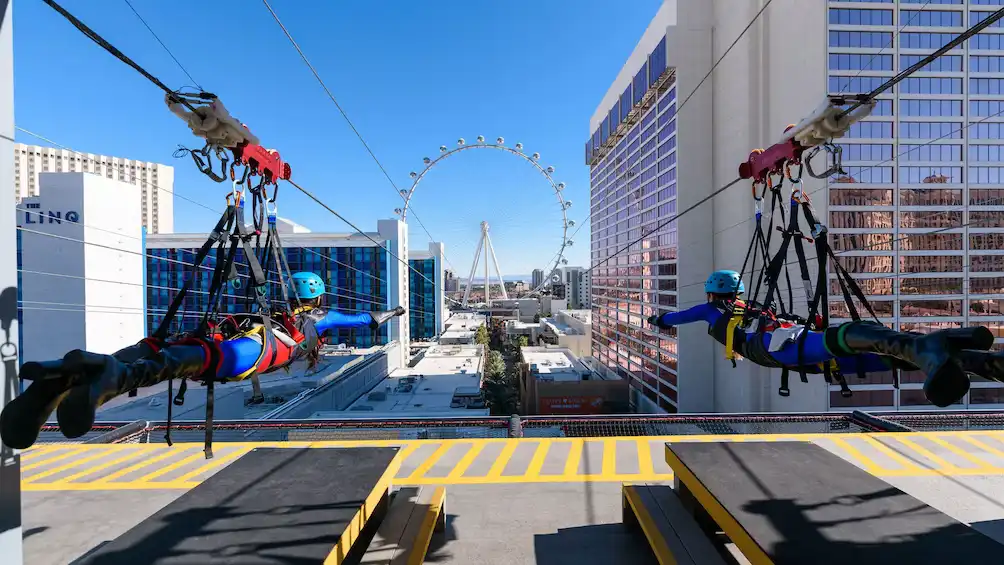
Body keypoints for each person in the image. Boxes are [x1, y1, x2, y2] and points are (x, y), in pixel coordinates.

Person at [1, 272, 406, 449]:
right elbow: (364, 318)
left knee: (169, 350)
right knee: (199, 360)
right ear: (315, 298)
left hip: (243, 334)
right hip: (260, 351)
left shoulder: (270, 308)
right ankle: (108, 378)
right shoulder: (319, 316)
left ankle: (68, 374)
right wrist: (392, 313)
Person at [647, 270, 999, 407]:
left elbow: (679, 317)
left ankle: (972, 359)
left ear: (711, 292)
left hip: (777, 348)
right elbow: (683, 317)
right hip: (773, 347)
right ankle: (934, 346)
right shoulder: (732, 310)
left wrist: (658, 319)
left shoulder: (725, 310)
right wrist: (661, 319)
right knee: (854, 336)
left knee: (872, 350)